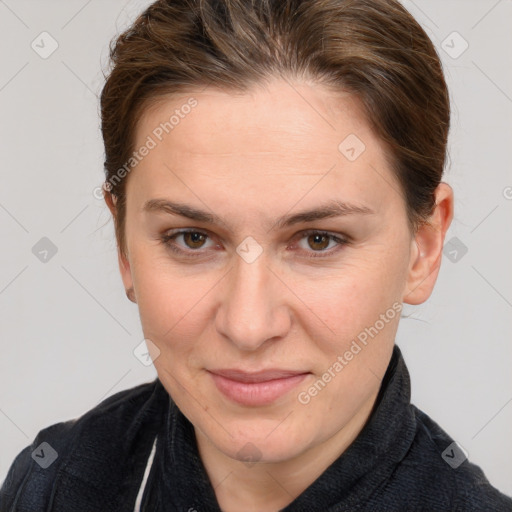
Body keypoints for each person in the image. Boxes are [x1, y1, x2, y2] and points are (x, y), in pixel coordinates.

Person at [1, 0, 511, 510]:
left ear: (423, 249)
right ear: (124, 248)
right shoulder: (48, 486)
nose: (248, 326)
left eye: (318, 240)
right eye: (192, 238)